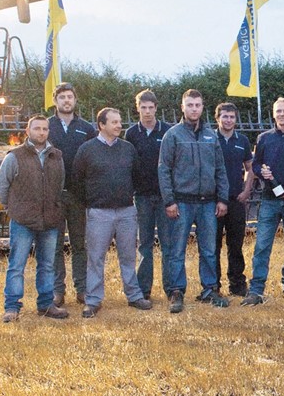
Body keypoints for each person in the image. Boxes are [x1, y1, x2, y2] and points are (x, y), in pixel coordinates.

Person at [72, 107, 153, 318]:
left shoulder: (128, 149)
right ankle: (93, 301)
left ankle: (134, 296)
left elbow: (137, 176)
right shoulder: (87, 150)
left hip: (126, 211)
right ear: (102, 125)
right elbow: (77, 180)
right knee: (96, 258)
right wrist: (91, 200)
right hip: (99, 213)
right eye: (114, 122)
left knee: (128, 256)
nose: (119, 125)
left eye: (119, 122)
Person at [157, 89, 230, 313]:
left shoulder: (211, 136)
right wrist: (169, 201)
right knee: (176, 249)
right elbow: (164, 170)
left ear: (202, 107)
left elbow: (220, 169)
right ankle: (176, 291)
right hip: (181, 203)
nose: (194, 109)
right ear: (182, 107)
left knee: (208, 249)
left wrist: (223, 198)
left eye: (198, 105)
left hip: (208, 203)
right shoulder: (173, 135)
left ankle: (210, 289)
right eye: (190, 105)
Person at [0, 115, 69, 322]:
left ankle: (46, 305)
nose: (41, 132)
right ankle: (12, 307)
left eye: (45, 129)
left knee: (47, 265)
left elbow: (59, 185)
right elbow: (1, 186)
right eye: (37, 129)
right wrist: (13, 208)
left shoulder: (57, 156)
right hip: (23, 221)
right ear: (28, 131)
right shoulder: (15, 157)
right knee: (17, 265)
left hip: (49, 221)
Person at [242, 97, 284, 306]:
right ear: (273, 114)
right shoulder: (264, 138)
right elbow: (254, 166)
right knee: (262, 244)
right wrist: (261, 172)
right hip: (269, 200)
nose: (282, 114)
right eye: (278, 111)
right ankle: (256, 290)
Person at [49, 82, 96, 307]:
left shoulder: (86, 128)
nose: (66, 101)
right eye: (62, 97)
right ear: (55, 101)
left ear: (75, 101)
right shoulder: (46, 127)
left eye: (70, 97)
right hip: (54, 197)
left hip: (78, 196)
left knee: (80, 244)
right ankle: (57, 290)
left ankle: (83, 289)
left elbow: (94, 161)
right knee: (55, 245)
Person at [125, 89, 172, 301]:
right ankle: (144, 289)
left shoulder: (168, 131)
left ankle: (172, 288)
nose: (147, 112)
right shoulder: (131, 134)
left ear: (156, 108)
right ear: (138, 109)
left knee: (167, 244)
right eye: (143, 108)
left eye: (150, 107)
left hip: (165, 196)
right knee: (144, 244)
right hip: (142, 196)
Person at [214, 102, 254, 298]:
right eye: (224, 116)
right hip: (213, 201)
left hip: (236, 200)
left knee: (235, 244)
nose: (228, 120)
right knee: (212, 245)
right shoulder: (210, 138)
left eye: (231, 117)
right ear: (217, 118)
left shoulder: (243, 141)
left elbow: (250, 168)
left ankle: (237, 284)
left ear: (235, 120)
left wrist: (246, 191)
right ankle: (213, 285)